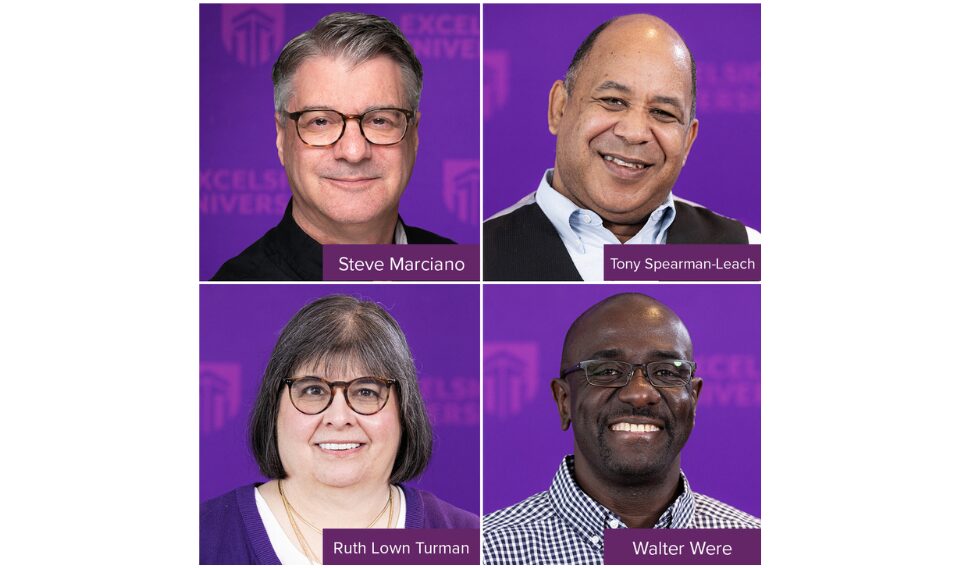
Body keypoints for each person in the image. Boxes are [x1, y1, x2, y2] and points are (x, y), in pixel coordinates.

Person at [482, 293, 758, 565]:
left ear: (693, 399)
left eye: (665, 372)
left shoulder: (755, 546)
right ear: (564, 401)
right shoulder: (488, 551)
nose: (639, 394)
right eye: (607, 371)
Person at [201, 295, 478, 564]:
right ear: (274, 408)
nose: (338, 417)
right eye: (313, 390)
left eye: (366, 392)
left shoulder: (470, 539)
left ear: (405, 410)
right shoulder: (198, 539)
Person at [483, 14, 760, 281]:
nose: (634, 133)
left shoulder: (749, 254)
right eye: (613, 101)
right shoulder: (483, 256)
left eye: (663, 113)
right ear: (559, 108)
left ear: (688, 140)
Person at [213, 13, 454, 281]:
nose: (353, 152)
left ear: (414, 135)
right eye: (320, 121)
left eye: (379, 120)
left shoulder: (456, 266)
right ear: (282, 137)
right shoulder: (237, 279)